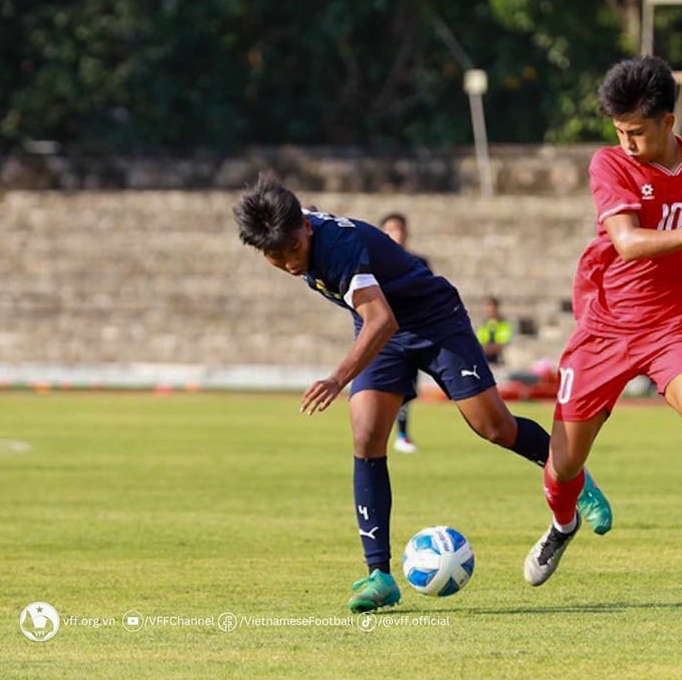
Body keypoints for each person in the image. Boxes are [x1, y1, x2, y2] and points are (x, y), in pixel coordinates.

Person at [233, 172, 613, 613]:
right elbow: (374, 316)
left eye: (292, 250)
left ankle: (574, 479)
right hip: (383, 327)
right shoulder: (295, 226)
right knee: (367, 436)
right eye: (274, 257)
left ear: (307, 228)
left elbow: (381, 320)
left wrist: (337, 378)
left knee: (493, 426)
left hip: (432, 319)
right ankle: (379, 575)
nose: (289, 263)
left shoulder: (334, 246)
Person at [522, 55, 682, 598]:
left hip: (670, 325)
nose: (627, 142)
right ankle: (562, 525)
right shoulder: (610, 165)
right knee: (565, 461)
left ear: (668, 123)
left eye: (636, 132)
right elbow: (628, 243)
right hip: (605, 327)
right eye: (619, 131)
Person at [379, 212, 425, 454]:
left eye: (398, 229)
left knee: (407, 389)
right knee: (383, 389)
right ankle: (385, 436)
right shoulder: (373, 263)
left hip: (414, 334)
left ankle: (403, 434)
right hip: (385, 337)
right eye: (389, 230)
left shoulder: (419, 262)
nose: (395, 234)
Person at [475, 295, 514, 366]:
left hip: (499, 361)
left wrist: (487, 348)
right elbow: (479, 343)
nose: (490, 310)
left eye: (492, 308)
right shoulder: (483, 325)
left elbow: (501, 345)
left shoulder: (505, 325)